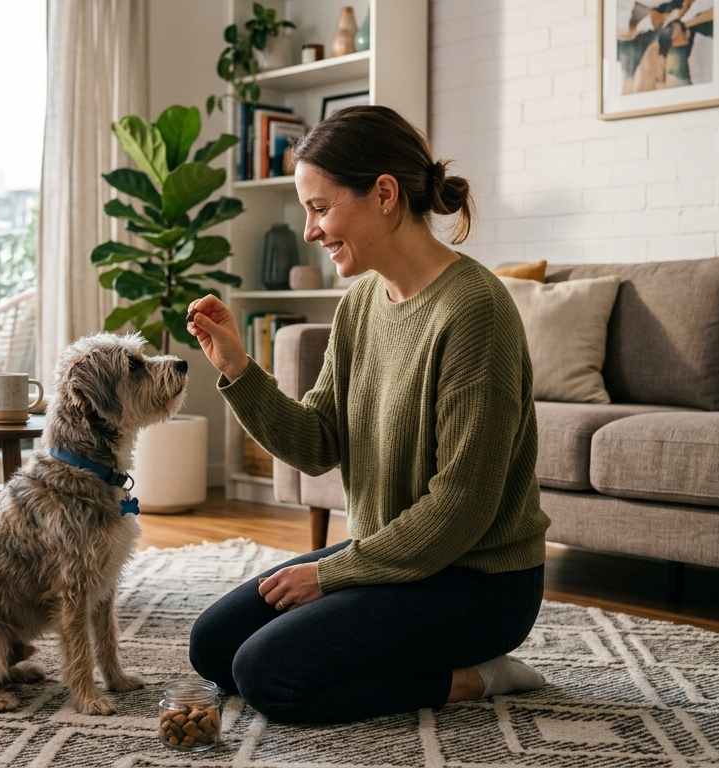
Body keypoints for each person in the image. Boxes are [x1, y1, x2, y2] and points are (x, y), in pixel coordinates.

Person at [184, 105, 552, 724]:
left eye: (320, 208)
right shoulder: (360, 303)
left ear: (384, 194)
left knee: (267, 676)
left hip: (479, 583)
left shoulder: (475, 310)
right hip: (391, 561)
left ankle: (476, 677)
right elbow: (318, 443)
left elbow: (462, 506)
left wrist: (330, 574)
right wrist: (238, 369)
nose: (310, 231)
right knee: (213, 647)